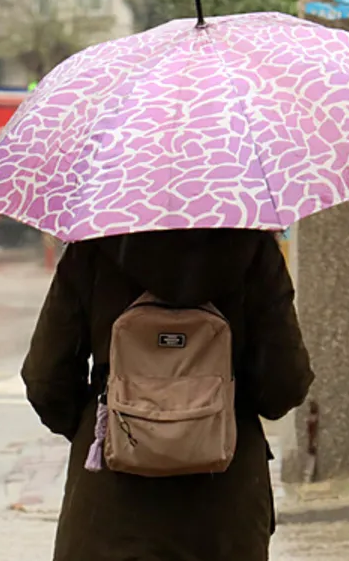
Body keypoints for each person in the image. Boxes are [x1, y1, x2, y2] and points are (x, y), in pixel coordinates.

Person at [23, 229, 314, 561]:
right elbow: (283, 385)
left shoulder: (93, 248)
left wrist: (108, 424)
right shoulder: (253, 250)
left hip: (110, 511)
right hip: (223, 512)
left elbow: (45, 379)